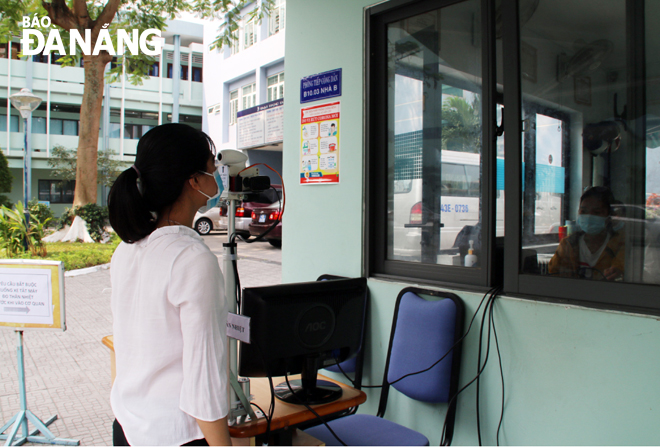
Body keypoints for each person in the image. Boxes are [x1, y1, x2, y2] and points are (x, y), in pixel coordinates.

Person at [107, 123, 231, 446]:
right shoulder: (192, 260)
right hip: (176, 435)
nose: (216, 175)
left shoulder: (125, 250)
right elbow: (204, 385)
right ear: (193, 182)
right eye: (211, 168)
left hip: (127, 428)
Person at [549, 186, 624, 280]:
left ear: (609, 216)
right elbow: (553, 277)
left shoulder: (619, 246)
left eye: (597, 212)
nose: (589, 216)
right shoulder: (568, 244)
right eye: (583, 211)